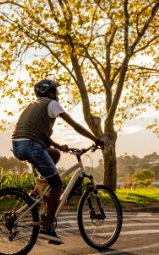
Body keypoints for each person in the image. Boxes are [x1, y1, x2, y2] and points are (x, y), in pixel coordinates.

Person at [11, 79, 103, 244]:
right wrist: (95, 139)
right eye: (56, 91)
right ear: (51, 92)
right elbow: (75, 125)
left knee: (53, 154)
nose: (58, 95)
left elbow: (37, 131)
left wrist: (56, 145)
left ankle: (36, 193)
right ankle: (48, 227)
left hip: (19, 145)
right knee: (57, 185)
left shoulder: (32, 105)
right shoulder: (52, 104)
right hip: (32, 145)